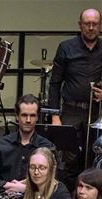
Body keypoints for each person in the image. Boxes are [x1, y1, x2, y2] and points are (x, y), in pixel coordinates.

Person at [49, 9, 102, 189]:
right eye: (87, 23)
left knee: (94, 157)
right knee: (69, 161)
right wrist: (55, 115)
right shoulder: (66, 47)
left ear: (100, 26)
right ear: (80, 25)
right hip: (70, 111)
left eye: (95, 24)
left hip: (96, 111)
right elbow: (55, 83)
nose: (91, 27)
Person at [0, 95, 56, 196]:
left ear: (37, 117)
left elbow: (54, 182)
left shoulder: (47, 147)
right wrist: (9, 185)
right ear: (17, 116)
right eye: (24, 115)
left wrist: (25, 188)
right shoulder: (2, 145)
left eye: (32, 115)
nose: (28, 120)